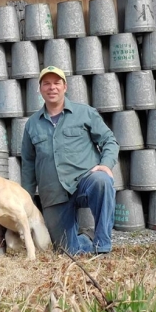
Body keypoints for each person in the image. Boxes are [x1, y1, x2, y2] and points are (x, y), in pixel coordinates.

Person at [20, 66, 118, 254]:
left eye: (57, 83)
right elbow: (28, 164)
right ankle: (85, 239)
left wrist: (105, 164)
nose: (52, 88)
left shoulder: (85, 113)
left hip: (84, 181)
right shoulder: (32, 124)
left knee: (102, 181)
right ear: (40, 89)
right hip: (53, 192)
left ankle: (102, 247)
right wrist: (27, 200)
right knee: (66, 251)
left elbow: (109, 140)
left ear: (65, 87)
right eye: (46, 84)